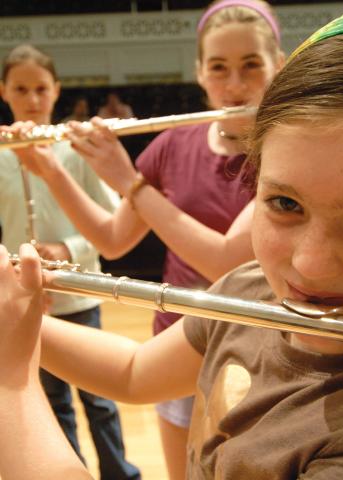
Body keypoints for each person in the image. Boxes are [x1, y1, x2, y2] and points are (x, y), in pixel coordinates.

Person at [2, 0, 343, 478]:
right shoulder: (253, 285)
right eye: (286, 204)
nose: (310, 266)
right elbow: (133, 371)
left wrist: (12, 384)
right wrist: (15, 321)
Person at [12, 2, 284, 478]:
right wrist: (51, 170)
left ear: (277, 65)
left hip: (262, 351)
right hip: (175, 344)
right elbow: (113, 240)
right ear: (200, 71)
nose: (235, 86)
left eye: (251, 66)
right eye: (219, 68)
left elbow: (224, 263)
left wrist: (129, 183)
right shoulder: (173, 145)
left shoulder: (288, 153)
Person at [0, 44, 140, 479]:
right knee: (52, 401)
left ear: (56, 90)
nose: (32, 99)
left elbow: (113, 223)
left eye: (41, 88)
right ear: (4, 91)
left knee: (99, 400)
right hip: (26, 301)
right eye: (21, 89)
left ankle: (119, 473)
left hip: (77, 294)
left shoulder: (74, 151)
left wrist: (66, 251)